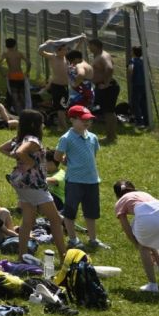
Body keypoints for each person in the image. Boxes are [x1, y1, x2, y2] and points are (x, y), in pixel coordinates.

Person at [0, 110, 66, 254]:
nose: (43, 125)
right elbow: (20, 152)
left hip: (21, 184)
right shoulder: (33, 140)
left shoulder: (20, 138)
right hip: (34, 184)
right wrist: (30, 163)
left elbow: (2, 149)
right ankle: (63, 256)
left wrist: (20, 160)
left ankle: (22, 255)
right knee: (55, 220)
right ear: (34, 124)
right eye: (41, 122)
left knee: (27, 222)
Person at [112, 180, 159, 294]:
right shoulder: (143, 194)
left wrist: (137, 245)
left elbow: (126, 228)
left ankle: (152, 285)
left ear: (117, 195)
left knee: (143, 245)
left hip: (147, 217)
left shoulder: (120, 202)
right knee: (143, 233)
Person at [57, 104, 104, 249]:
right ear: (72, 119)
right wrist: (67, 160)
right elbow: (57, 156)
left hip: (92, 180)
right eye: (83, 119)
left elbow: (93, 155)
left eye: (88, 119)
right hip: (75, 181)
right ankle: (73, 239)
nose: (87, 122)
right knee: (70, 211)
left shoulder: (93, 137)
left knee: (91, 212)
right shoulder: (66, 138)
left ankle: (93, 239)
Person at [0, 37, 29, 111]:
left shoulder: (6, 54)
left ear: (6, 46)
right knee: (22, 94)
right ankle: (24, 110)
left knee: (13, 94)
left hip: (11, 76)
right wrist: (27, 72)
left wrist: (2, 73)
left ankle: (16, 110)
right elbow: (29, 63)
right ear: (15, 45)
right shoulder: (19, 53)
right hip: (20, 75)